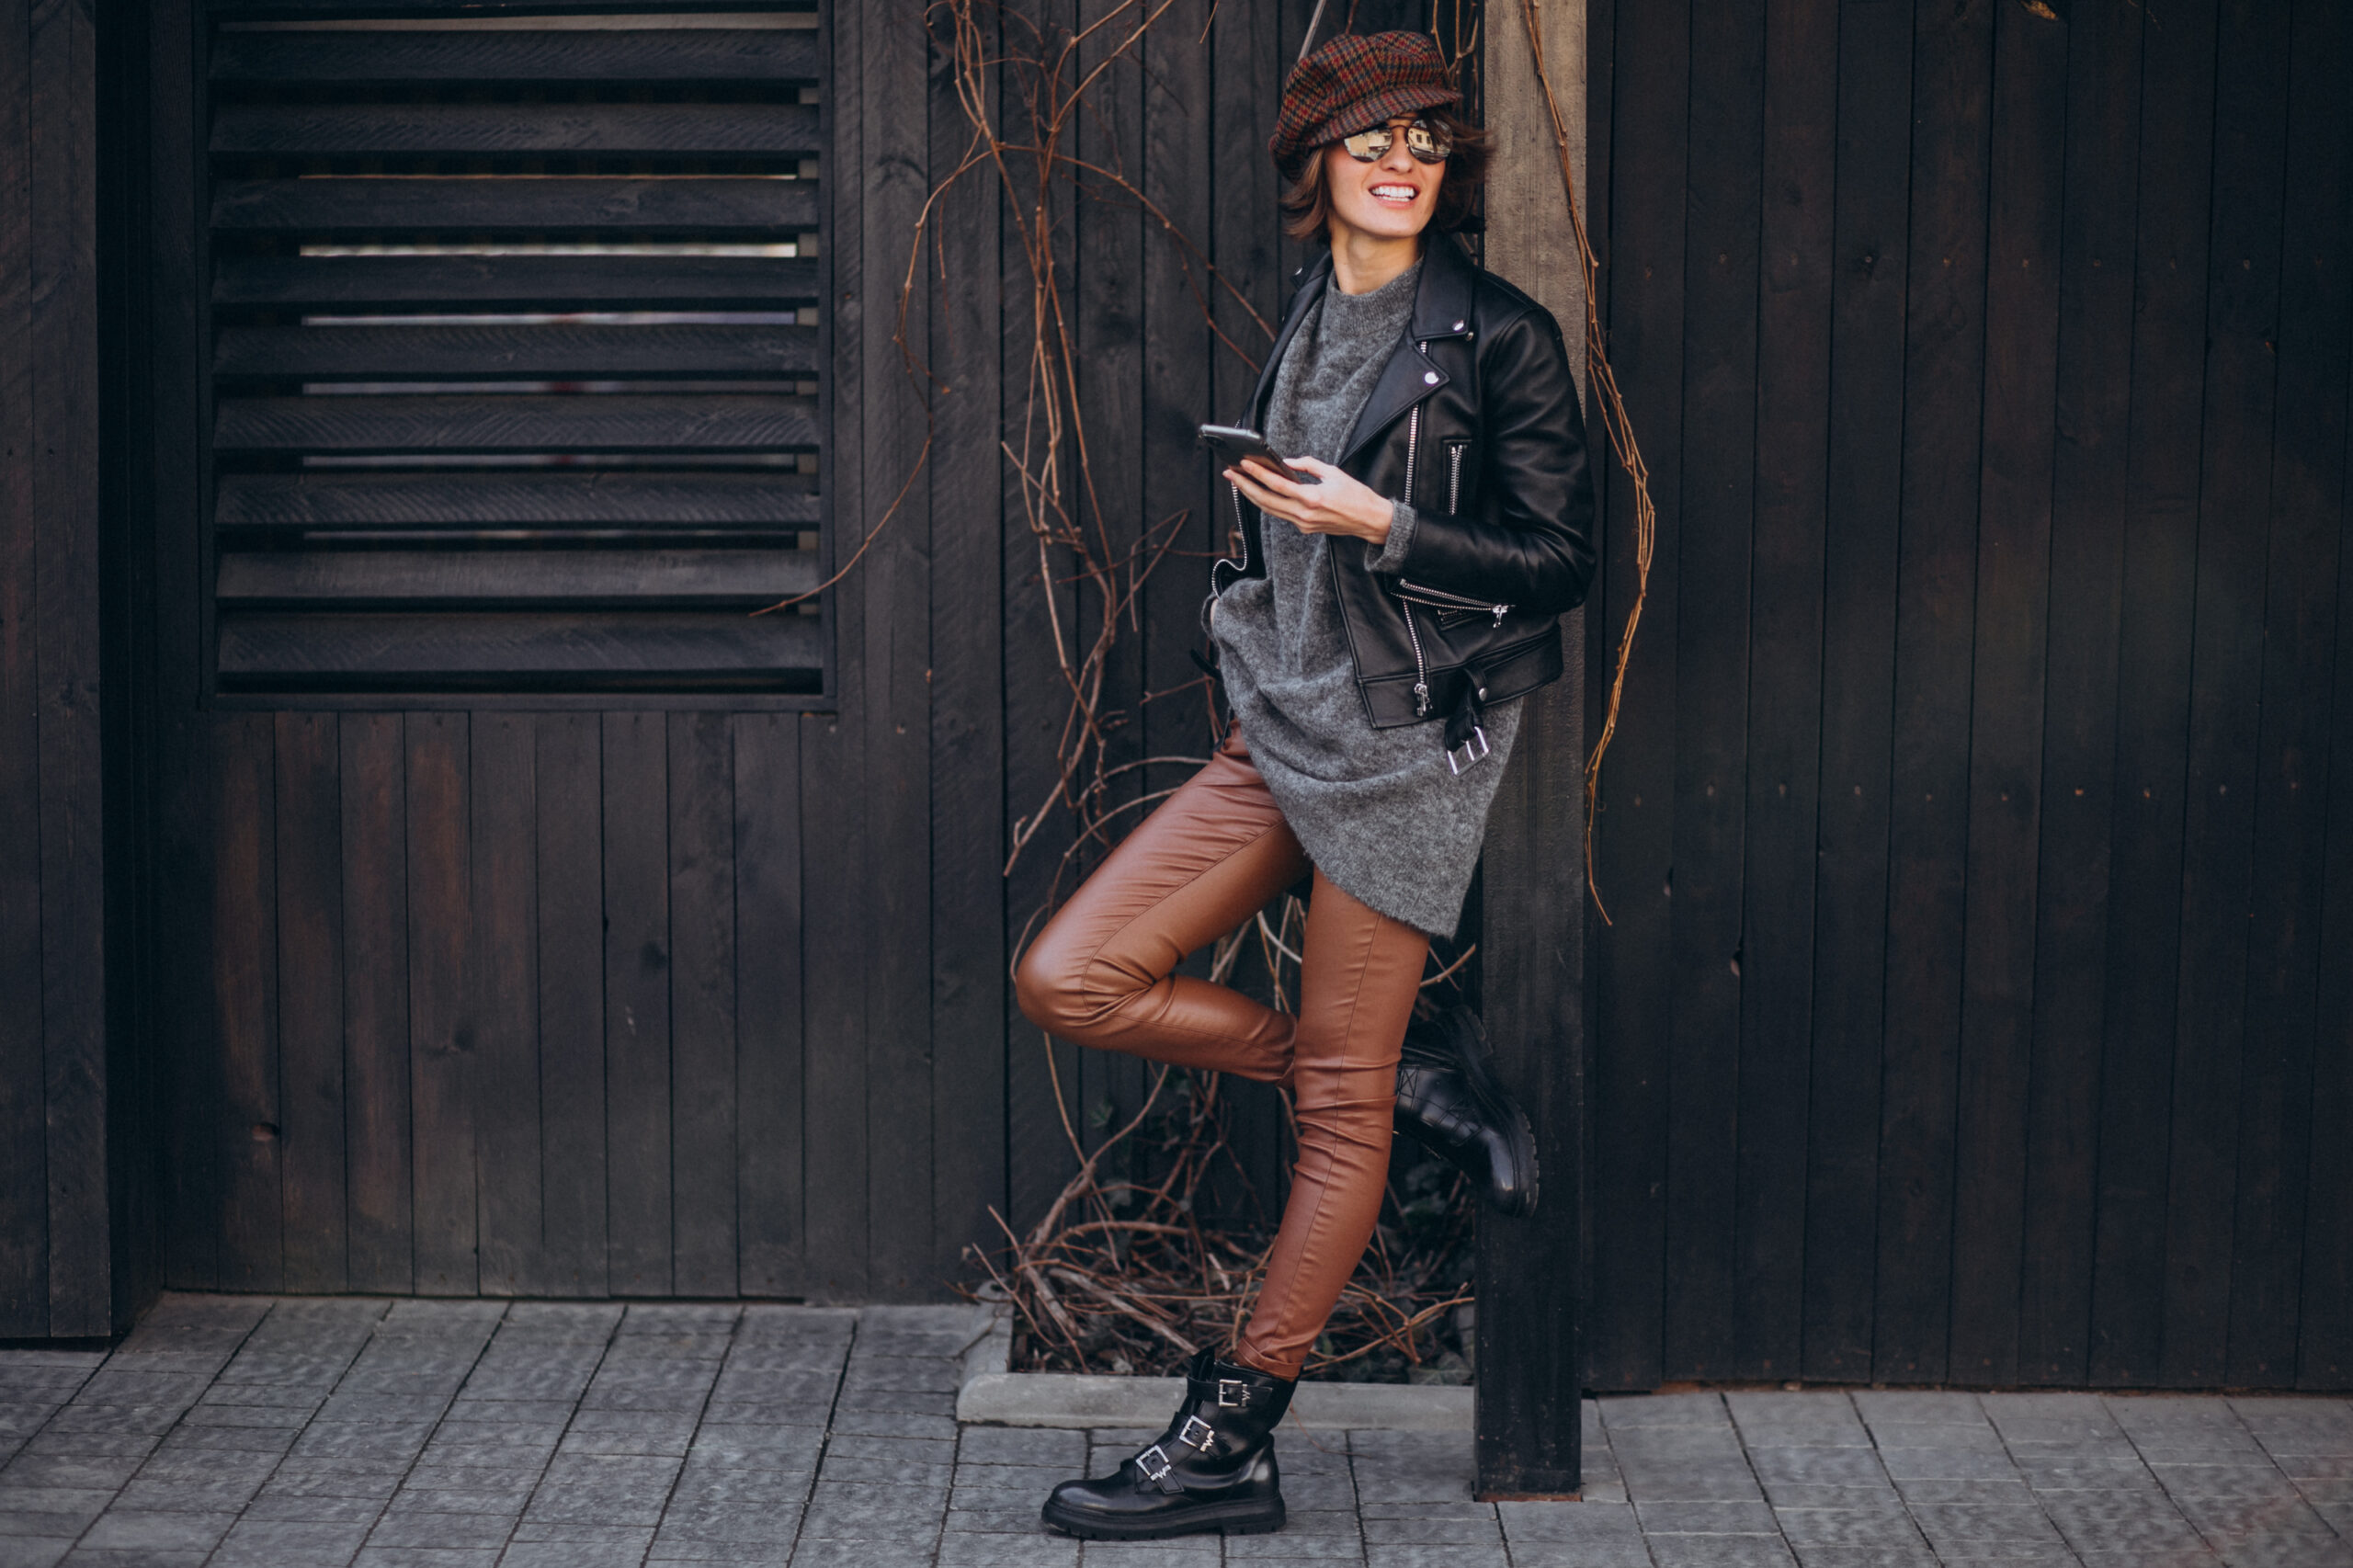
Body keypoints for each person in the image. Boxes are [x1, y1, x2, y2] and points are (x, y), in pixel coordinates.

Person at [1013, 28, 1597, 1541]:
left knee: (1334, 1121)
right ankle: (1403, 1075)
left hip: (1405, 748)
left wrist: (1381, 520)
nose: (1404, 162)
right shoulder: (1312, 307)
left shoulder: (1499, 336)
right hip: (1276, 728)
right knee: (1074, 974)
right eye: (1372, 139)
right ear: (1314, 169)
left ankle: (1228, 1432)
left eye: (1425, 141)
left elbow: (1560, 561)